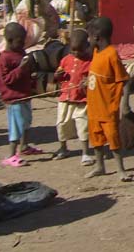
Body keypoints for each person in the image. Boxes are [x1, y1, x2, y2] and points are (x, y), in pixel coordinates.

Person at [85, 17, 132, 181]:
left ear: (97, 37)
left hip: (108, 108)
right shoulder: (96, 52)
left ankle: (120, 169)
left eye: (89, 37)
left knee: (113, 138)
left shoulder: (111, 54)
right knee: (96, 139)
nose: (88, 40)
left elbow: (124, 80)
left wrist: (125, 104)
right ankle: (100, 166)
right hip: (93, 107)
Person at [0, 22, 43, 167]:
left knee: (26, 123)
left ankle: (25, 146)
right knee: (16, 127)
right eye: (20, 41)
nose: (23, 44)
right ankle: (11, 155)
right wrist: (22, 68)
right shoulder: (4, 59)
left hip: (25, 96)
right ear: (10, 41)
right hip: (14, 99)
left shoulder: (20, 53)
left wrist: (31, 74)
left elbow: (24, 73)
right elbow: (7, 79)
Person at [53, 29, 94, 165]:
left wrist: (87, 82)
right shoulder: (65, 60)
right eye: (73, 50)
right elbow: (59, 76)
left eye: (80, 50)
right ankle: (63, 148)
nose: (76, 53)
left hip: (82, 99)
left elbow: (93, 79)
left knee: (83, 124)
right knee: (61, 123)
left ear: (87, 47)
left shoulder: (90, 61)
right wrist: (58, 75)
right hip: (66, 97)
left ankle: (85, 153)